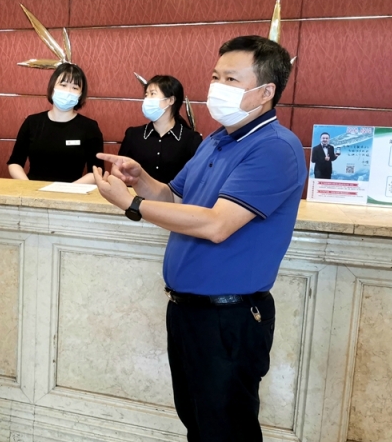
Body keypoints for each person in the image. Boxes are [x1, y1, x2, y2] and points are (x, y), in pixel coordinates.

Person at [93, 35, 307, 441]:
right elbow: (176, 197)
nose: (217, 87)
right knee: (199, 423)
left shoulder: (276, 148)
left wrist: (132, 203)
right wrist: (141, 179)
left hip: (229, 319)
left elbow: (216, 225)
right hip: (187, 312)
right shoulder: (215, 140)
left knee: (226, 430)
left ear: (266, 92)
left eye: (231, 79)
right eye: (215, 76)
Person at [7, 63, 104, 182]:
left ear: (80, 94)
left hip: (72, 190)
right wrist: (29, 187)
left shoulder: (89, 127)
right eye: (63, 85)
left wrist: (67, 189)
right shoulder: (32, 122)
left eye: (75, 88)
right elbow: (15, 163)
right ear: (52, 87)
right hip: (33, 189)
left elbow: (96, 171)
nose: (68, 91)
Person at [118, 75, 202, 184]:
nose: (147, 99)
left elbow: (196, 179)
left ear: (170, 100)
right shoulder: (133, 135)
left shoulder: (191, 140)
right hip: (136, 194)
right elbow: (120, 173)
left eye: (152, 94)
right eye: (146, 95)